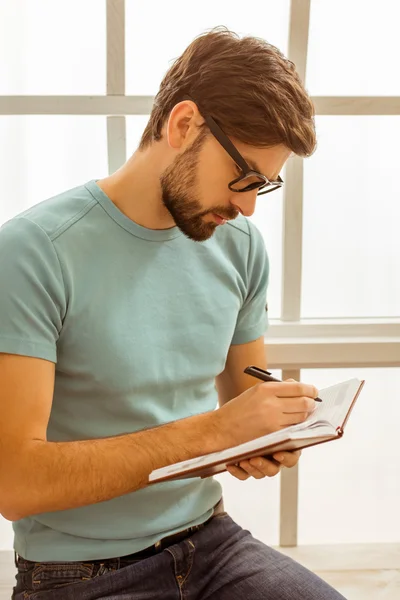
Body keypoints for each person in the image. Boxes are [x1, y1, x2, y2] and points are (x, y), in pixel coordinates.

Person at [0, 27, 346, 600]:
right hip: (80, 574)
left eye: (265, 183)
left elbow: (242, 402)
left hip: (212, 544)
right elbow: (14, 481)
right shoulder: (34, 252)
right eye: (243, 176)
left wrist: (268, 434)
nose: (248, 206)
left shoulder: (239, 246)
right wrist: (214, 431)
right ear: (183, 125)